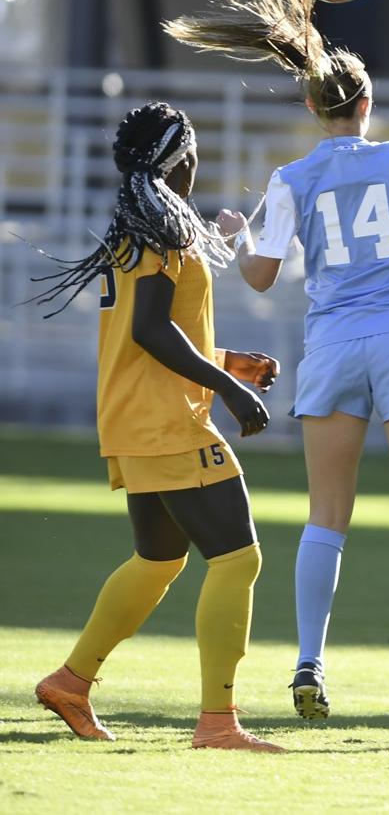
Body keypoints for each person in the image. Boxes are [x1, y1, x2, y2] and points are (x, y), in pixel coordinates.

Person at [164, 0, 389, 728]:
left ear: (311, 107)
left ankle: (309, 661)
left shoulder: (292, 178)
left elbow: (263, 278)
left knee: (325, 516)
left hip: (333, 343)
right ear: (367, 106)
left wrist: (240, 237)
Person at [30, 102, 283, 752]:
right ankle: (218, 724)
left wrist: (226, 360)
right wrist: (226, 387)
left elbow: (149, 332)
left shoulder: (138, 225)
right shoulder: (161, 227)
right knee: (238, 559)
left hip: (136, 417)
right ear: (181, 159)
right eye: (192, 153)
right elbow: (149, 329)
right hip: (169, 421)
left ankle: (70, 681)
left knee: (158, 559)